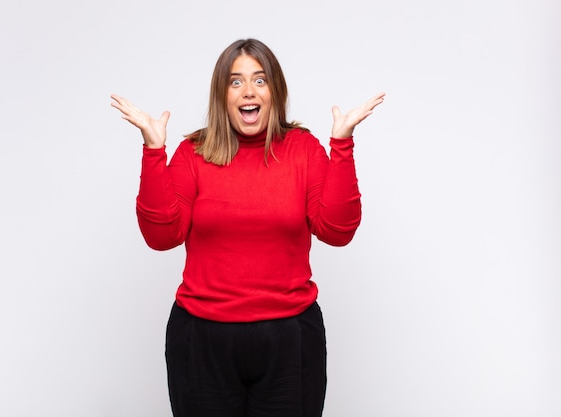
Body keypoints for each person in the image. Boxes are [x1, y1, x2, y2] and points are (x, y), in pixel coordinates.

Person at [111, 38, 384, 417]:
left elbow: (338, 231)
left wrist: (341, 145)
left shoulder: (302, 150)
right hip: (202, 338)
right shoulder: (194, 153)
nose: (248, 91)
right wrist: (154, 150)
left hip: (290, 339)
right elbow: (161, 236)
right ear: (221, 94)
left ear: (275, 91)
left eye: (260, 80)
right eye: (236, 82)